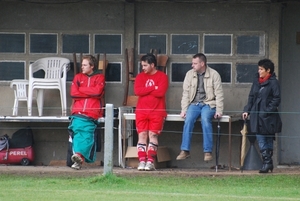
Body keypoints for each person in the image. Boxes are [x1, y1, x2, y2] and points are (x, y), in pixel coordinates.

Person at [176, 53, 224, 162]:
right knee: (188, 120)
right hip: (194, 104)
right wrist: (184, 110)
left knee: (206, 119)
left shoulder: (214, 74)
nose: (192, 65)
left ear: (202, 64)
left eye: (195, 63)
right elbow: (186, 94)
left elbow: (219, 94)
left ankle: (207, 152)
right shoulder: (189, 74)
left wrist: (219, 110)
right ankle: (185, 150)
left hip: (209, 103)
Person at [242, 58, 282, 173]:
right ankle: (267, 162)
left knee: (268, 138)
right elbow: (251, 97)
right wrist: (247, 110)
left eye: (261, 69)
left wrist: (267, 111)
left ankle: (268, 163)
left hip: (269, 116)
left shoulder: (274, 82)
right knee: (260, 137)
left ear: (268, 70)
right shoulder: (256, 82)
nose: (259, 71)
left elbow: (276, 98)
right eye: (258, 69)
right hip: (256, 115)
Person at [68, 55, 105, 170]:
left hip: (92, 113)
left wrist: (81, 90)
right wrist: (91, 92)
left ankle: (78, 157)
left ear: (92, 66)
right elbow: (73, 93)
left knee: (87, 134)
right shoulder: (78, 77)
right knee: (78, 132)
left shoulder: (100, 77)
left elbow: (98, 92)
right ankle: (79, 157)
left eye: (84, 65)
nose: (82, 67)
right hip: (78, 112)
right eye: (82, 65)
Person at [134, 53, 169, 171]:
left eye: (145, 65)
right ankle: (142, 161)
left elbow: (161, 93)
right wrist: (154, 87)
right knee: (142, 135)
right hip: (141, 111)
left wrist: (147, 90)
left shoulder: (163, 76)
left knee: (153, 135)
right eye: (142, 65)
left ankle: (150, 162)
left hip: (157, 111)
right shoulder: (139, 77)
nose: (143, 68)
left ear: (152, 65)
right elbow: (138, 91)